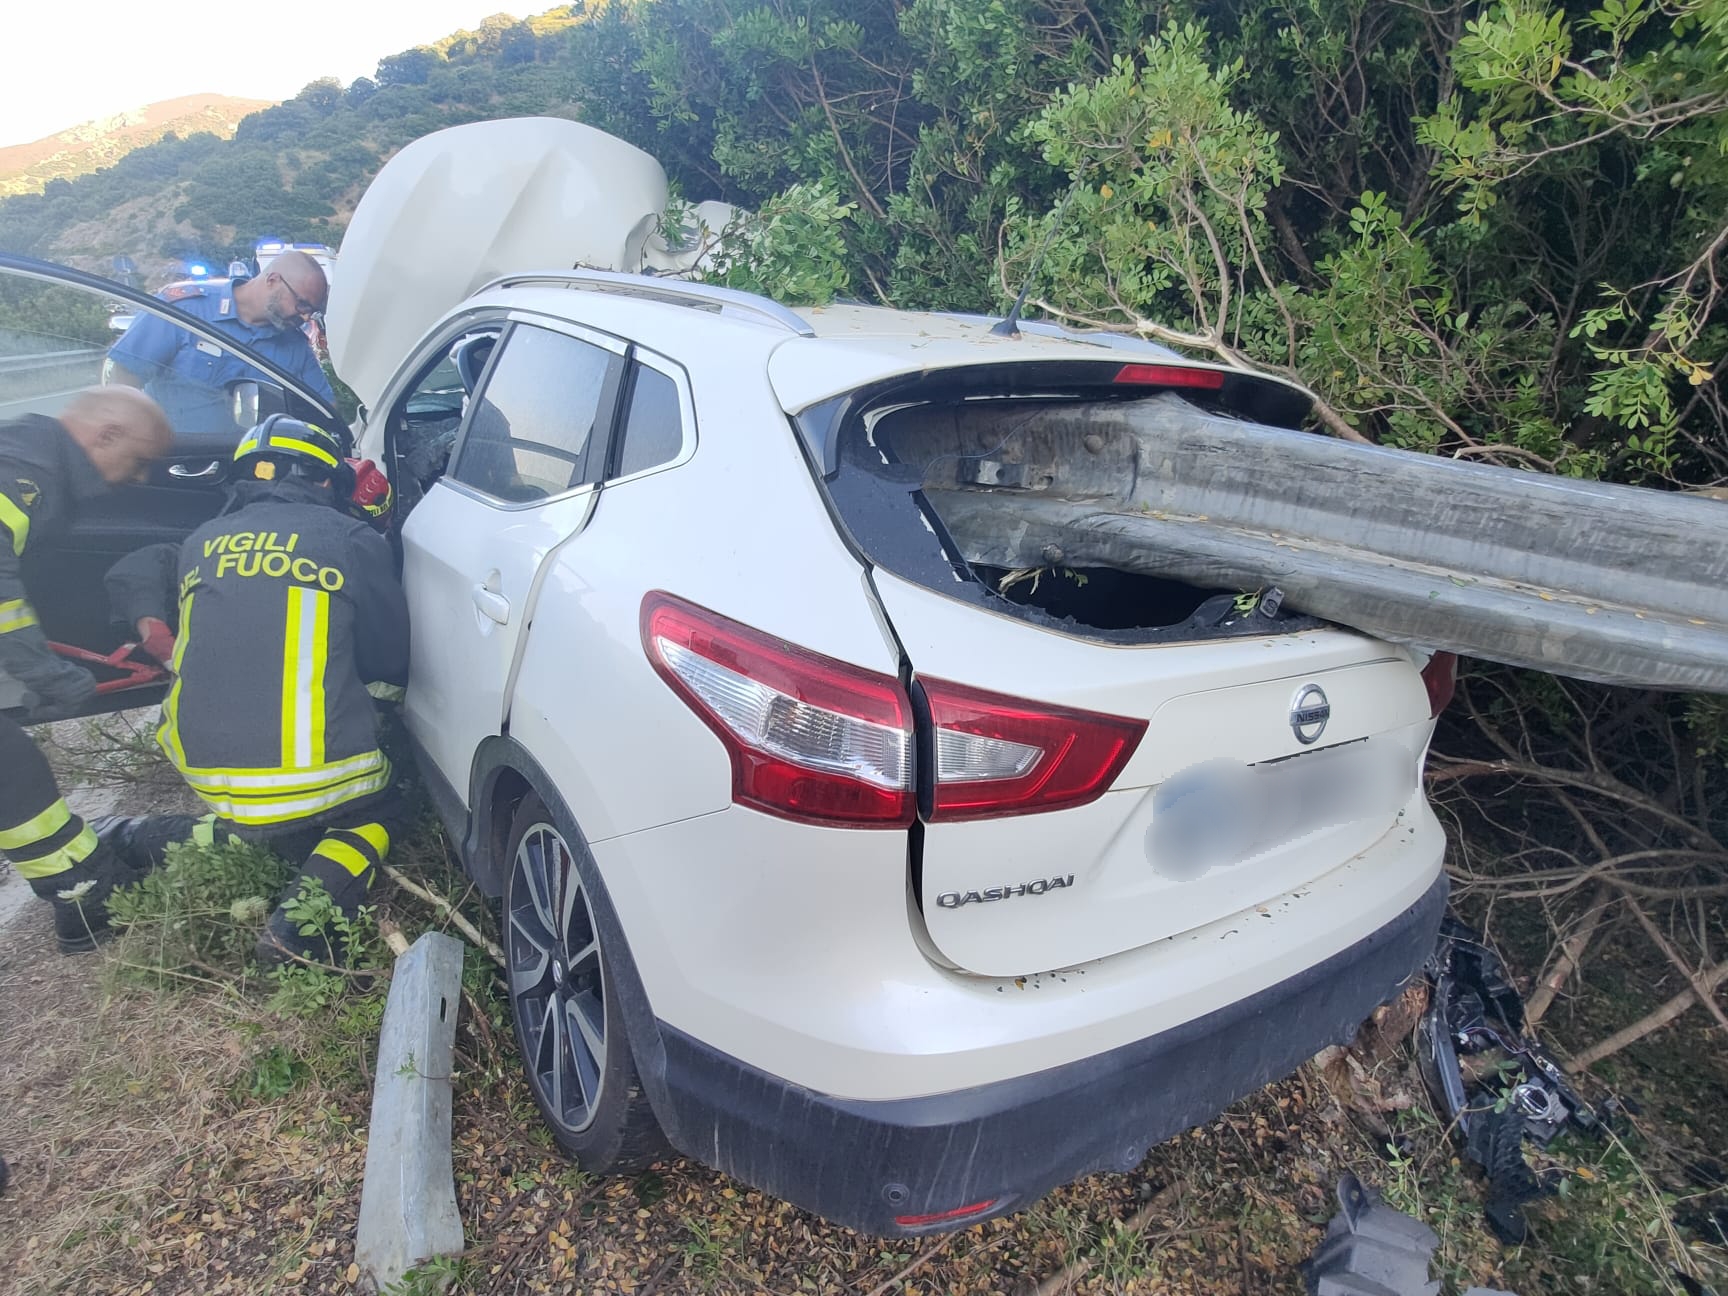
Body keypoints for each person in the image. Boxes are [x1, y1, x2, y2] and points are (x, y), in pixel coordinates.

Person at [105, 415, 410, 967]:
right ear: (324, 480)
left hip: (201, 767)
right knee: (383, 810)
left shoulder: (201, 541)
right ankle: (298, 931)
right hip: (310, 770)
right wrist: (383, 712)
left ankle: (136, 839)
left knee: (266, 824)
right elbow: (390, 657)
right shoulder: (350, 537)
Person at [0, 388, 173, 952]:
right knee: (14, 773)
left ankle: (84, 883)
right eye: (140, 461)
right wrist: (45, 675)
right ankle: (85, 890)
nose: (143, 480)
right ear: (105, 436)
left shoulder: (28, 460)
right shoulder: (21, 475)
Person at [105, 250, 336, 436]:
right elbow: (124, 376)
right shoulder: (186, 309)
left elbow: (325, 413)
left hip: (253, 470)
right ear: (273, 280)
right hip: (176, 460)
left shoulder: (294, 344)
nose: (305, 317)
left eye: (312, 311)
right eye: (302, 304)